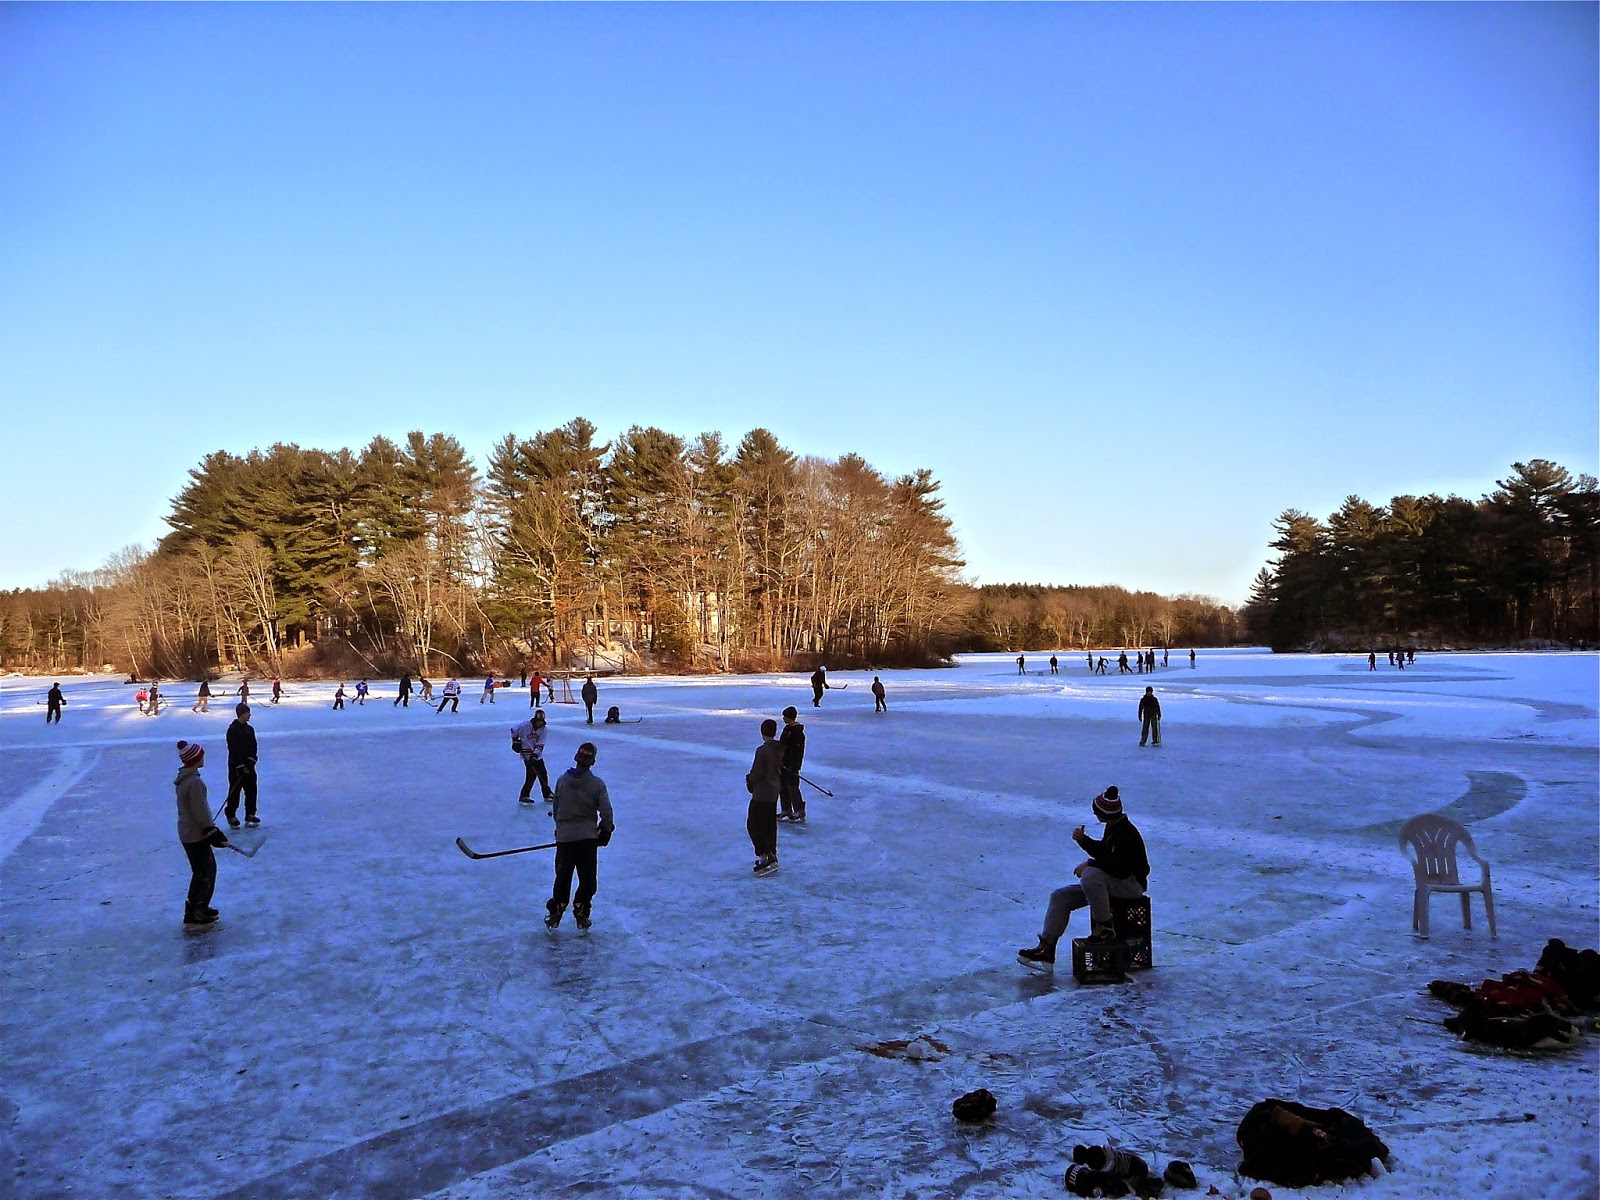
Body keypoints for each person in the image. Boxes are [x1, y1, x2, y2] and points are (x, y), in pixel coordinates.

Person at [1018, 787, 1149, 967]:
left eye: (1096, 811)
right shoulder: (1112, 827)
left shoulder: (1126, 833)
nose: (1094, 814)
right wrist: (1084, 840)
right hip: (1112, 883)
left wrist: (1090, 864)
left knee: (1090, 875)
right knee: (1061, 896)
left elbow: (1121, 869)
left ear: (1105, 813)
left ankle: (1104, 928)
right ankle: (1047, 948)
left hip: (1131, 885)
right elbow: (1106, 855)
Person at [545, 742, 614, 930]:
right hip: (587, 840)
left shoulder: (561, 781)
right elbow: (606, 811)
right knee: (587, 878)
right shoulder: (597, 784)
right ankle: (582, 910)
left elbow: (556, 809)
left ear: (576, 758)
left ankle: (557, 910)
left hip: (565, 839)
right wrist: (605, 830)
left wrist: (560, 828)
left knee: (562, 877)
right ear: (592, 762)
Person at [174, 740, 228, 927]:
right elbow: (200, 810)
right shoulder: (194, 782)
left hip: (189, 833)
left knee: (201, 871)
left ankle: (197, 908)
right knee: (205, 871)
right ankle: (197, 910)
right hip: (195, 834)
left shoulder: (186, 779)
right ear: (195, 759)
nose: (204, 757)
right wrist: (210, 830)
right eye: (201, 755)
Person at [746, 718, 783, 874]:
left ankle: (764, 853)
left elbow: (758, 773)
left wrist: (749, 779)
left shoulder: (762, 751)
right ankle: (771, 854)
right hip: (774, 792)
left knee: (753, 824)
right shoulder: (779, 748)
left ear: (762, 732)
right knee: (769, 825)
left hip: (762, 793)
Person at [224, 704, 260, 829]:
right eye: (247, 713)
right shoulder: (232, 729)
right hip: (236, 766)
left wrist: (252, 759)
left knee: (252, 790)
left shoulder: (250, 729)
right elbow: (233, 749)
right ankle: (231, 814)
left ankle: (250, 814)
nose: (249, 715)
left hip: (249, 766)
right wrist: (240, 765)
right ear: (241, 714)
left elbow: (253, 745)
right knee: (235, 791)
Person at [512, 709, 554, 804]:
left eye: (541, 722)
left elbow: (541, 743)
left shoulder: (543, 729)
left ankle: (547, 794)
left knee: (543, 773)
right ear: (535, 720)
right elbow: (513, 730)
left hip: (537, 755)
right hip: (526, 754)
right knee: (531, 775)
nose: (540, 724)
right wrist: (515, 742)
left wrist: (534, 756)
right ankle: (524, 795)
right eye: (538, 721)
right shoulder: (524, 726)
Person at [778, 706, 806, 824]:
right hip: (782, 765)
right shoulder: (786, 729)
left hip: (792, 766)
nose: (783, 718)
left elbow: (798, 752)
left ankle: (799, 810)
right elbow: (781, 746)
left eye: (785, 716)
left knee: (792, 788)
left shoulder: (798, 733)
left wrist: (794, 766)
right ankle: (786, 810)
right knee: (782, 787)